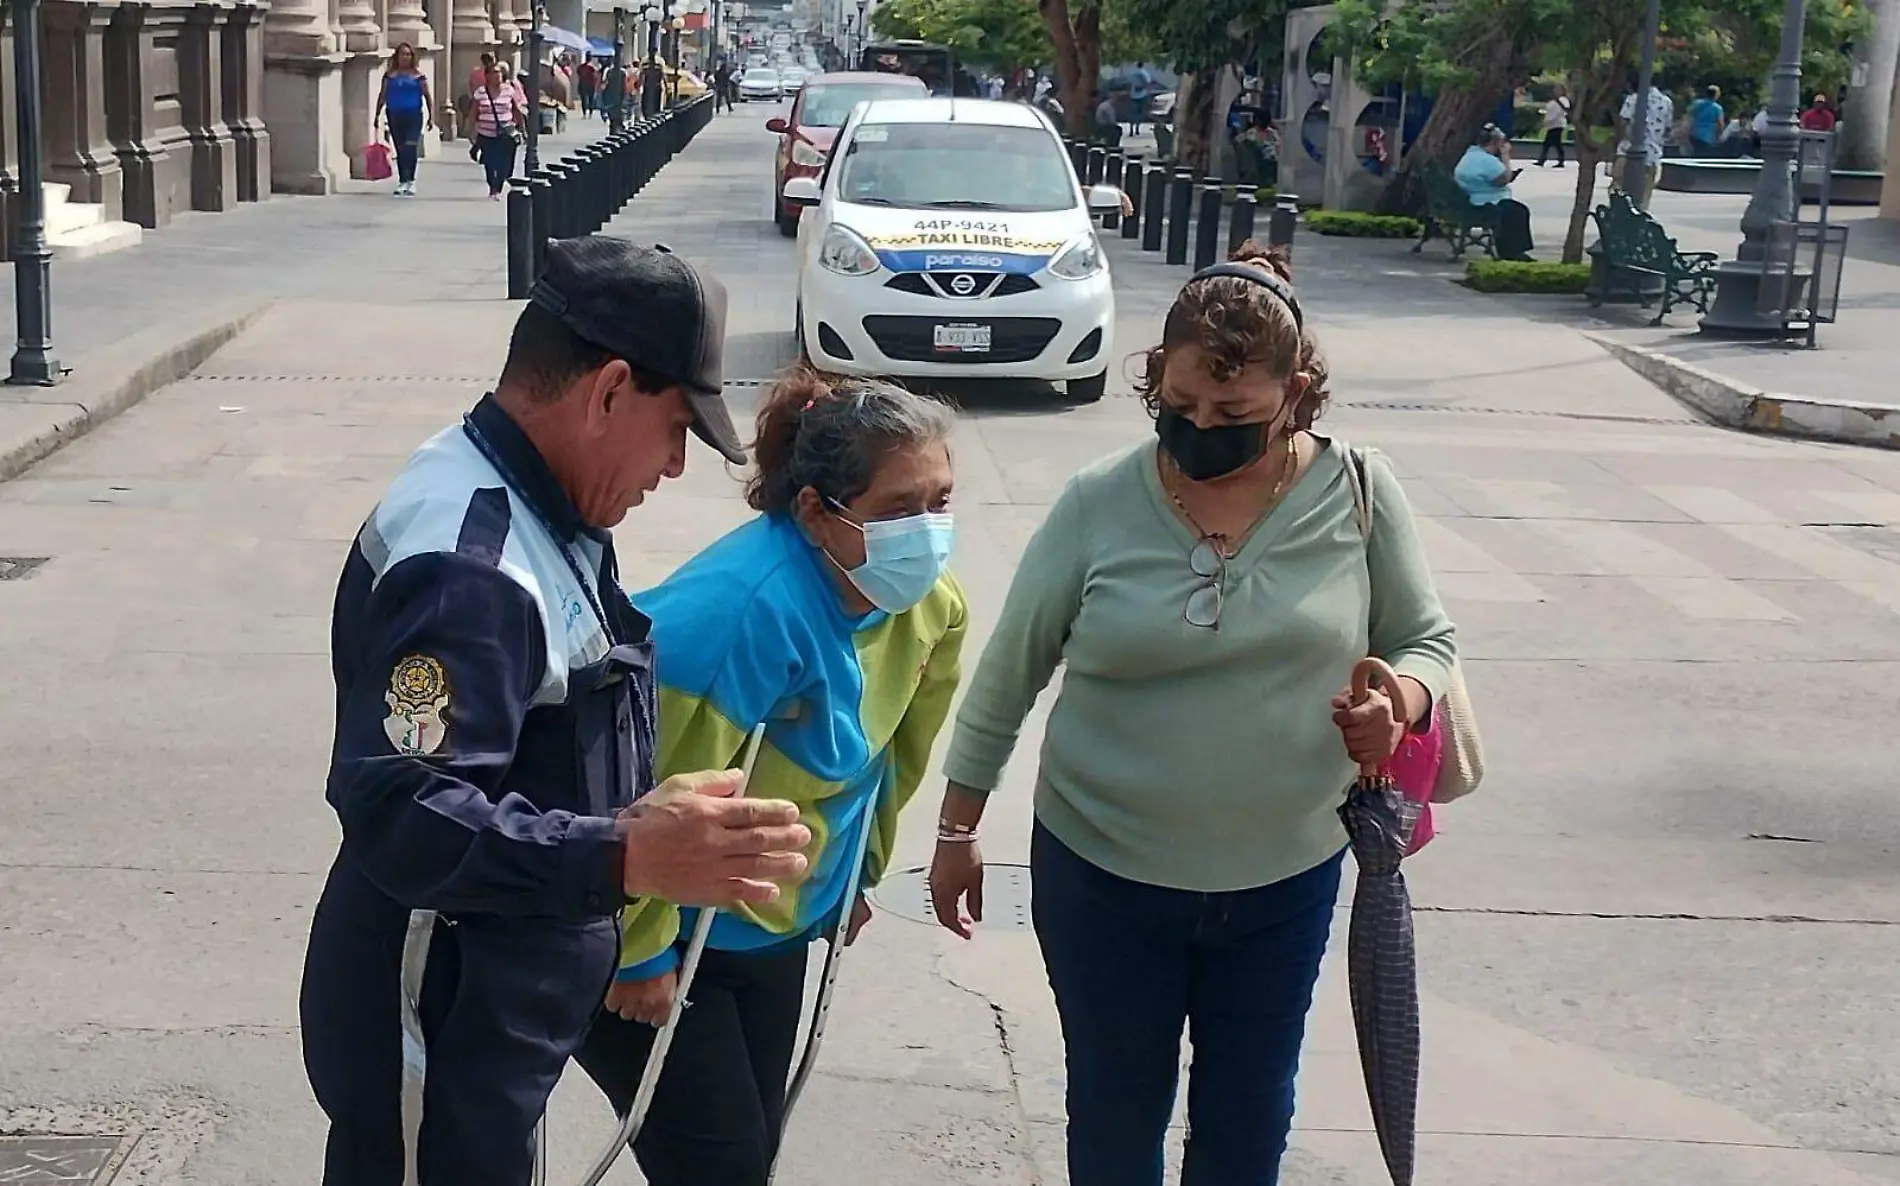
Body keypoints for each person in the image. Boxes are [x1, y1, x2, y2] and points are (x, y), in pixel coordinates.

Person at [925, 242, 1457, 1186]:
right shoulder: (1099, 504)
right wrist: (958, 828)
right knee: (1115, 1118)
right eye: (1179, 407)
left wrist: (1400, 701)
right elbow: (1008, 676)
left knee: (1248, 1126)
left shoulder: (1362, 493)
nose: (1201, 428)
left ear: (1295, 392)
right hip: (1101, 874)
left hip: (1283, 878)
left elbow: (1428, 642)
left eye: (1233, 413)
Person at [299, 235, 815, 1186]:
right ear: (609, 390)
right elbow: (406, 810)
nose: (671, 467)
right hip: (433, 1018)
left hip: (484, 1015)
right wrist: (628, 852)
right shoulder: (472, 567)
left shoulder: (543, 504)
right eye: (674, 430)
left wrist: (646, 817)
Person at [574, 371, 967, 1186]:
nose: (928, 531)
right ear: (818, 511)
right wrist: (638, 953)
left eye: (941, 500)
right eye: (900, 509)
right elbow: (636, 790)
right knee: (720, 1167)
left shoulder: (931, 606)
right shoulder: (739, 616)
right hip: (662, 926)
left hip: (767, 914)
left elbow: (895, 758)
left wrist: (857, 874)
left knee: (753, 1149)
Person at [1455, 125, 1533, 261]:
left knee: (1513, 209)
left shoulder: (1470, 154)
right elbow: (1504, 179)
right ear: (1495, 142)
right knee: (1518, 211)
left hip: (1471, 200)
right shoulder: (1487, 161)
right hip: (1485, 203)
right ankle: (1512, 252)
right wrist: (1505, 156)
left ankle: (1511, 250)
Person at [375, 42, 434, 196]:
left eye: (408, 54)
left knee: (410, 147)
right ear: (397, 56)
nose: (405, 57)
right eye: (402, 54)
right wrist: (377, 115)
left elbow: (427, 96)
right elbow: (382, 95)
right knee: (400, 149)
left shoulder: (419, 76)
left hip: (413, 115)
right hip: (394, 114)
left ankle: (411, 180)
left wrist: (431, 117)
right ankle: (403, 180)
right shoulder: (389, 75)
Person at [471, 60, 526, 199]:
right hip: (486, 134)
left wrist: (522, 129)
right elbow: (473, 113)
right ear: (487, 75)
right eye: (494, 72)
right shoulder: (481, 92)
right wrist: (471, 131)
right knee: (489, 162)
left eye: (499, 72)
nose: (497, 75)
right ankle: (493, 187)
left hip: (506, 133)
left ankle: (499, 185)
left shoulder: (509, 90)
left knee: (505, 164)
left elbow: (516, 110)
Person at [1614, 80, 1673, 206]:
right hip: (1653, 153)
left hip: (1627, 150)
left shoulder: (1632, 99)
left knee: (1618, 186)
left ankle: (1619, 213)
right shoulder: (1666, 102)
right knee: (1645, 193)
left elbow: (1623, 124)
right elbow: (1668, 128)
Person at [1537, 85, 1570, 167]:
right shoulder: (1555, 101)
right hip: (1553, 125)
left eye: (1558, 89)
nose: (1555, 91)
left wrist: (1548, 120)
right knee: (1551, 143)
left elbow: (1558, 111)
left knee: (1554, 143)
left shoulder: (1563, 100)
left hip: (1557, 124)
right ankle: (1543, 160)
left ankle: (1557, 160)